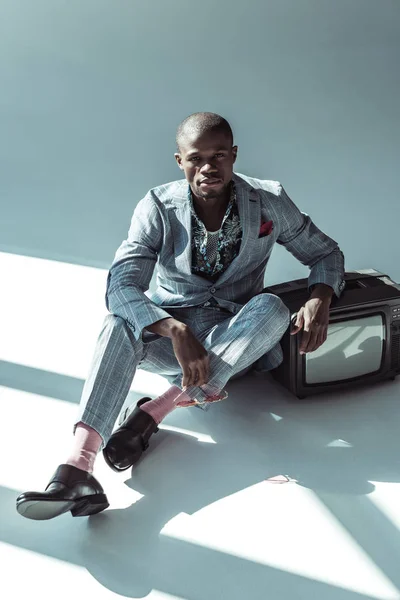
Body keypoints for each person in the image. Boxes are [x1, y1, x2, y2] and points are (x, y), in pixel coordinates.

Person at [16, 112, 345, 520]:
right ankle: (76, 469)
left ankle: (156, 410)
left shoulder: (269, 200)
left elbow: (325, 253)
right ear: (180, 161)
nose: (208, 167)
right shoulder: (157, 206)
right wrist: (174, 328)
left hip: (238, 341)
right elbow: (121, 286)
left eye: (219, 155)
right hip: (173, 344)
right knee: (118, 322)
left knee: (273, 308)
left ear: (234, 155)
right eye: (196, 158)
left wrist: (321, 296)